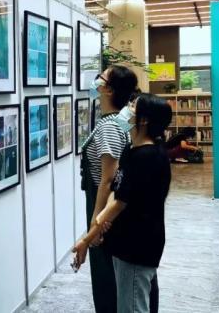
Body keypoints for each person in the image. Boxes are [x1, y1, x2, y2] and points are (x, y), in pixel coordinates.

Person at [73, 93, 173, 313]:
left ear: (144, 119)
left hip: (137, 246)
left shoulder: (149, 157)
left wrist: (88, 238)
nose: (127, 108)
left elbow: (120, 202)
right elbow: (117, 189)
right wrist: (102, 220)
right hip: (123, 241)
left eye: (133, 106)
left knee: (133, 306)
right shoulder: (131, 149)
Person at [80, 65, 146, 312]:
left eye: (101, 78)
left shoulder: (109, 127)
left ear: (108, 89)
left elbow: (107, 180)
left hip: (106, 212)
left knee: (106, 278)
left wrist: (95, 224)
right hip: (114, 211)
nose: (96, 81)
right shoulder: (122, 122)